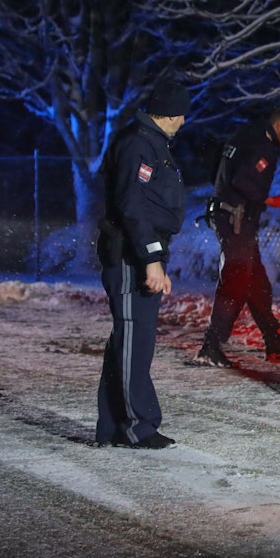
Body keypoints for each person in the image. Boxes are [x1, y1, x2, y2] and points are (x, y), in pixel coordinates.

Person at [95, 78, 190, 449]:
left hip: (140, 252)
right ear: (173, 113)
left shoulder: (150, 143)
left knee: (128, 339)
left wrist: (157, 259)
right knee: (135, 339)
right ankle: (139, 426)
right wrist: (151, 259)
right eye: (182, 114)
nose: (183, 122)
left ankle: (113, 428)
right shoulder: (139, 144)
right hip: (130, 255)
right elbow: (132, 206)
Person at [195, 105, 280, 367]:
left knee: (255, 281)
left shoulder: (244, 135)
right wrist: (263, 198)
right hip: (235, 219)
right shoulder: (262, 144)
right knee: (235, 279)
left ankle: (272, 338)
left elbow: (223, 174)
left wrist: (263, 199)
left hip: (229, 215)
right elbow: (243, 180)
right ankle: (211, 344)